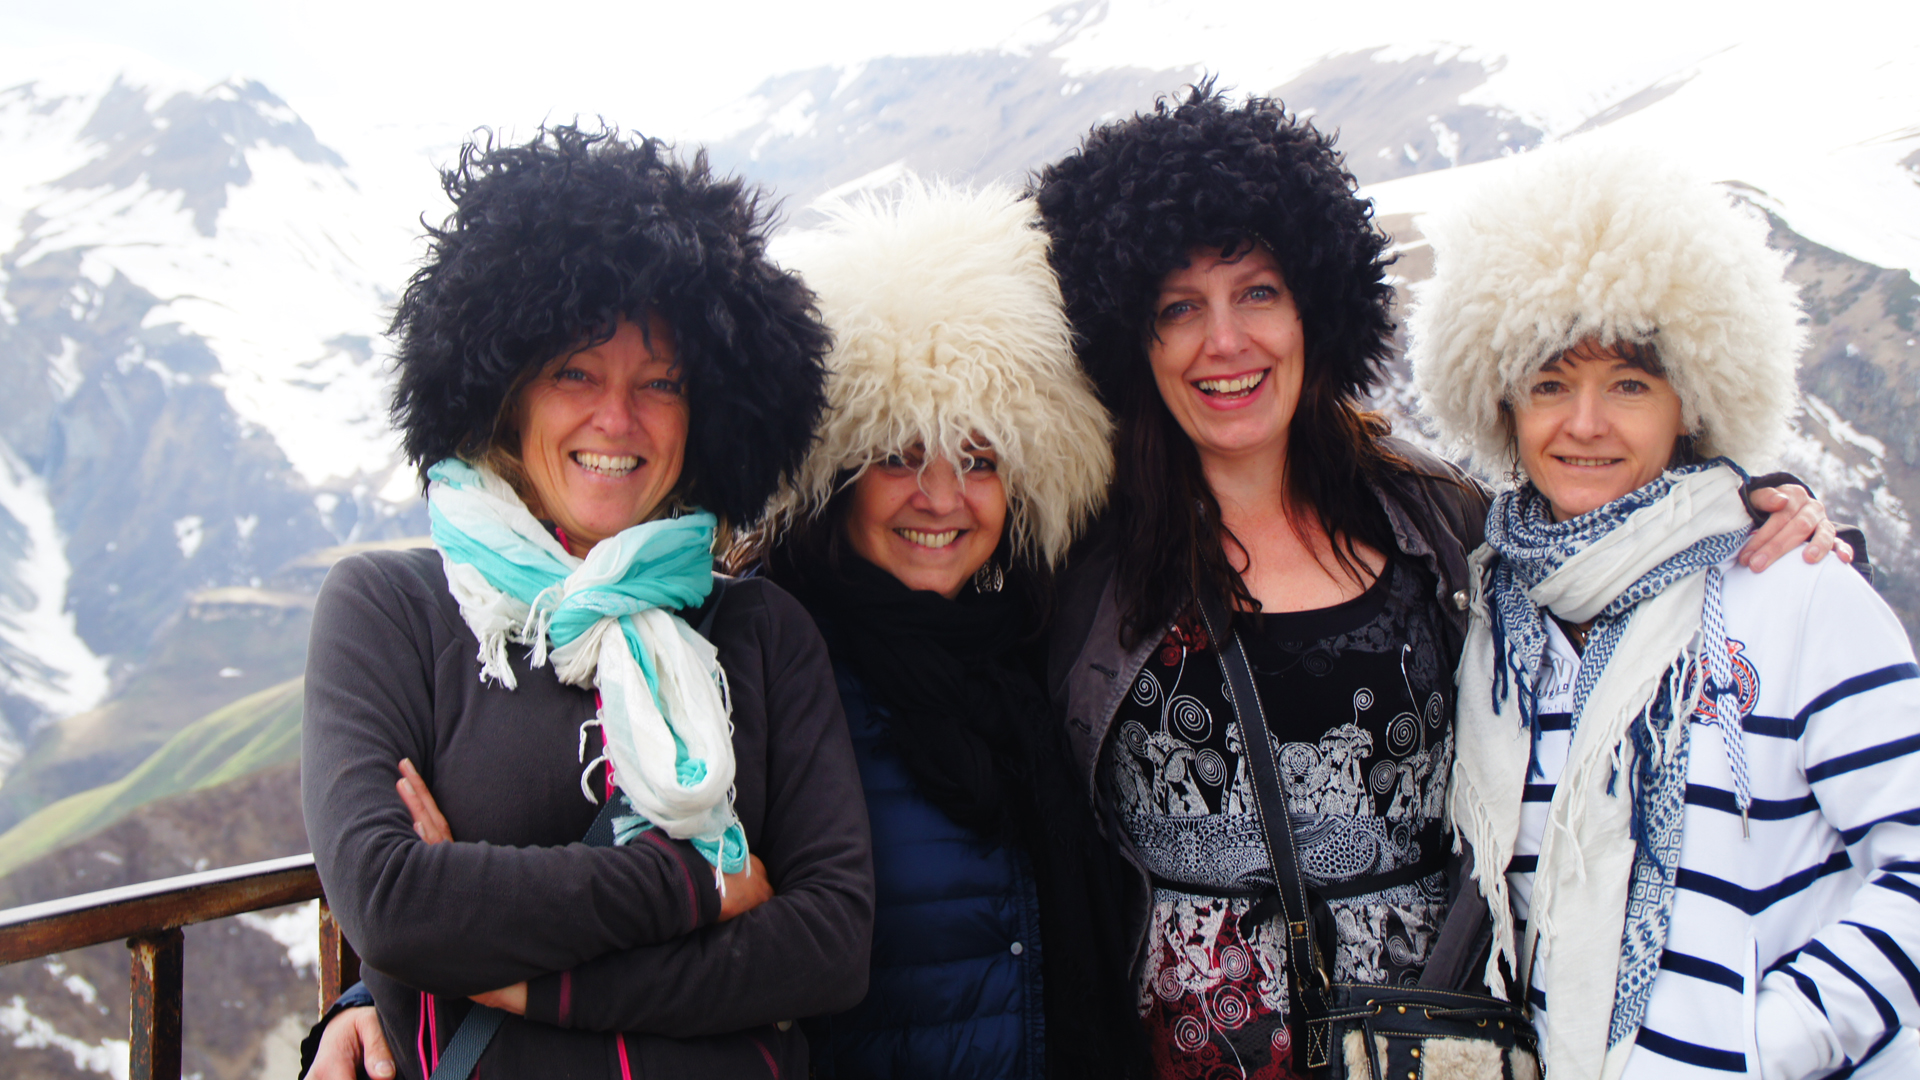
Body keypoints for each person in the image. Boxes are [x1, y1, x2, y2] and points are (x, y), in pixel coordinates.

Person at [1029, 85, 1844, 1080]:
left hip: (1439, 1045)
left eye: (1257, 293)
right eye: (1177, 309)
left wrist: (1745, 511)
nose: (1224, 343)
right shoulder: (1077, 568)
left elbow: (1605, 566)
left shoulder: (1433, 524)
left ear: (1317, 306)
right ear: (1129, 337)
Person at [299, 125, 873, 1080]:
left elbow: (828, 945)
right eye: (575, 371)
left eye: (662, 384)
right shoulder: (392, 610)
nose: (618, 418)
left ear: (709, 414)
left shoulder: (762, 633)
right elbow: (395, 906)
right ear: (506, 390)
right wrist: (698, 880)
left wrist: (524, 982)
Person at [1414, 143, 1920, 1079]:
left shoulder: (1794, 587)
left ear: (1692, 395)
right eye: (1551, 383)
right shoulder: (1496, 617)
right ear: (1502, 402)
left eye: (1631, 384)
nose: (1587, 424)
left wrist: (1767, 1047)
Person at [746, 181, 1142, 1078]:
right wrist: (381, 991)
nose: (940, 497)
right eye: (898, 456)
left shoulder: (1037, 655)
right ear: (837, 472)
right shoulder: (764, 660)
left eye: (977, 459)